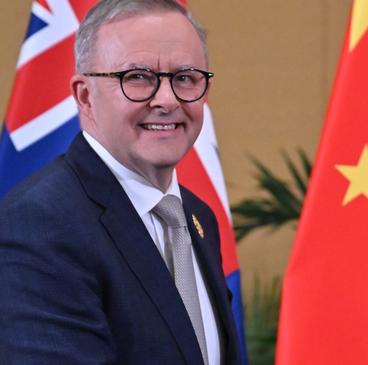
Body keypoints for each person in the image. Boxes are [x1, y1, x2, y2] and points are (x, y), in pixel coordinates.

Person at [0, 1, 241, 364]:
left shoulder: (197, 217)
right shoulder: (38, 225)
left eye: (185, 78)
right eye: (138, 77)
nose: (167, 100)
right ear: (85, 97)